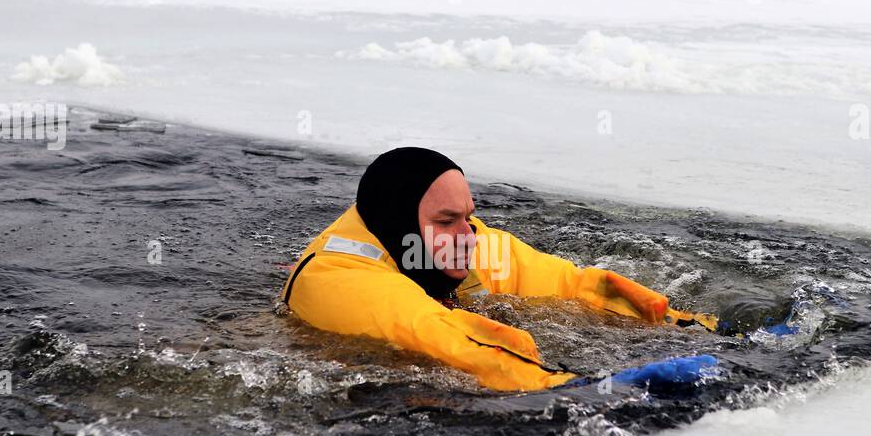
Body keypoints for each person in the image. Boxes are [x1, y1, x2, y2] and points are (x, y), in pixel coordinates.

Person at [279, 147, 719, 392]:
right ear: (397, 225)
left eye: (468, 216)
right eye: (446, 221)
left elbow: (574, 284)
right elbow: (457, 345)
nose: (468, 234)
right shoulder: (343, 282)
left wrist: (701, 329)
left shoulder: (455, 242)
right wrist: (576, 388)